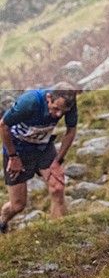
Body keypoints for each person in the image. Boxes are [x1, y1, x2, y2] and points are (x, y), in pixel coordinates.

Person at [0, 82, 78, 233]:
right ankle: (3, 220)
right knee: (18, 205)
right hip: (18, 149)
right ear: (48, 97)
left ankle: (59, 236)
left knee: (57, 188)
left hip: (43, 148)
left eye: (62, 112)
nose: (58, 115)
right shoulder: (29, 102)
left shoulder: (69, 103)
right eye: (55, 109)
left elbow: (71, 130)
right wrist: (13, 156)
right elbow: (3, 126)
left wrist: (58, 161)